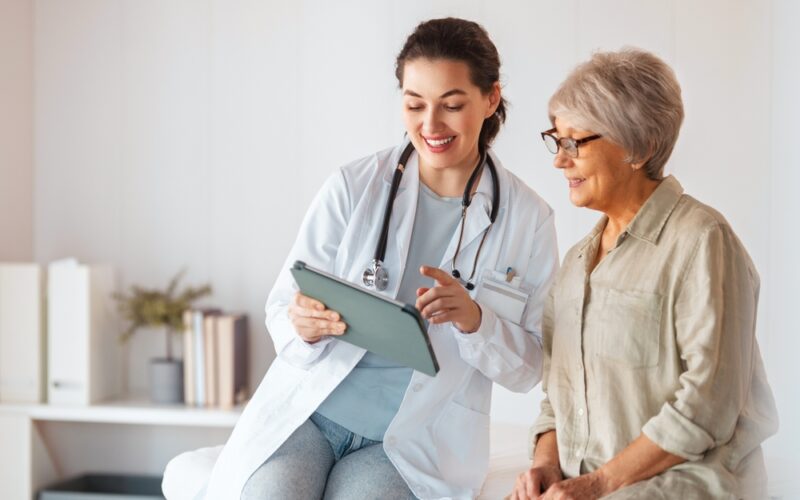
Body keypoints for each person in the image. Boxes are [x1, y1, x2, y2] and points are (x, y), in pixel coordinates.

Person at [202, 18, 559, 499]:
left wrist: (478, 322)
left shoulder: (528, 220)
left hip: (411, 442)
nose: (430, 125)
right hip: (313, 412)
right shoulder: (354, 187)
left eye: (452, 105)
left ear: (491, 98)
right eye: (414, 104)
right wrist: (302, 323)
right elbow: (284, 304)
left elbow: (531, 367)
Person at [511, 48, 779, 500]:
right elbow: (557, 399)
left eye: (575, 142)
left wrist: (598, 484)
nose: (560, 160)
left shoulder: (702, 240)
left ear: (639, 147)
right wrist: (545, 464)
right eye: (556, 141)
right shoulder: (577, 264)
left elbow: (707, 405)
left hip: (687, 484)